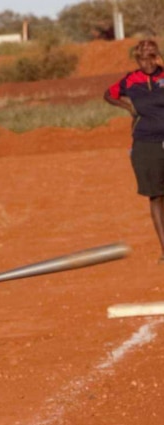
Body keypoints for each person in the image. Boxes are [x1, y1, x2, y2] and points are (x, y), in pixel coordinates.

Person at [104, 39, 164, 263]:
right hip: (145, 143)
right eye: (142, 58)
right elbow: (108, 94)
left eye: (151, 57)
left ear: (157, 56)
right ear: (137, 59)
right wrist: (128, 107)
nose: (147, 62)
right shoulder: (130, 80)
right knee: (156, 196)